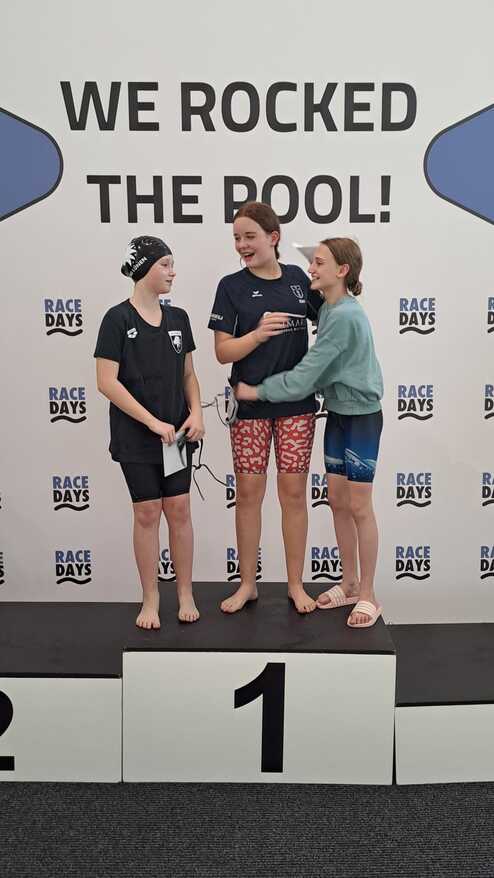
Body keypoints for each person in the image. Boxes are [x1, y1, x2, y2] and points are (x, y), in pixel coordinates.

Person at [236, 238, 384, 628]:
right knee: (337, 500)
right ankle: (349, 583)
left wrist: (257, 391)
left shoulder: (346, 315)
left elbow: (307, 374)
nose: (310, 270)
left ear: (342, 271)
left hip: (362, 419)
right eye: (311, 262)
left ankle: (368, 595)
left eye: (318, 263)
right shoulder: (330, 308)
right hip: (338, 414)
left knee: (360, 506)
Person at [208, 201, 323, 614]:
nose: (242, 245)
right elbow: (222, 352)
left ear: (273, 238)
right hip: (249, 405)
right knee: (248, 495)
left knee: (293, 494)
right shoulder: (230, 286)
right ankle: (247, 585)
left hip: (297, 407)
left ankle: (296, 585)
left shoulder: (298, 279)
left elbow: (332, 316)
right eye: (237, 238)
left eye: (249, 236)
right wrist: (256, 336)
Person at [94, 236, 204, 629]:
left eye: (172, 264)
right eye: (165, 264)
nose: (173, 272)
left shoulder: (179, 319)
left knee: (180, 509)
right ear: (144, 269)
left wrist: (196, 413)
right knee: (146, 513)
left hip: (176, 437)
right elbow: (106, 382)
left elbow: (188, 374)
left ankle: (185, 592)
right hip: (137, 437)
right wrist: (152, 422)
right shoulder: (117, 320)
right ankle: (151, 597)